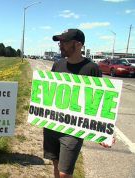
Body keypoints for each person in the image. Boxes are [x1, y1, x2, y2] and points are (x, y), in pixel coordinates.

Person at [45, 28, 113, 178]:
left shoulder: (92, 69)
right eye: (60, 42)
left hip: (73, 130)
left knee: (65, 173)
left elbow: (99, 100)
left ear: (78, 45)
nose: (60, 45)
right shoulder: (57, 65)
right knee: (56, 163)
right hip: (53, 125)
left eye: (64, 42)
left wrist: (104, 131)